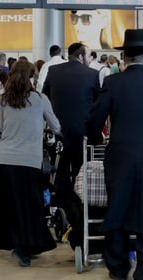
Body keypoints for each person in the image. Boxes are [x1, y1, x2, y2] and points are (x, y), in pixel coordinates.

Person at [86, 29, 143, 280]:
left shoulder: (113, 83)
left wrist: (97, 136)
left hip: (121, 155)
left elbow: (95, 121)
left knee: (118, 206)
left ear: (123, 56)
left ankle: (117, 266)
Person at [0, 60, 60, 267]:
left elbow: (3, 128)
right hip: (29, 161)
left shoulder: (4, 100)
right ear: (32, 77)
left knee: (9, 205)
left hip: (4, 159)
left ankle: (17, 245)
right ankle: (27, 245)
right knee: (30, 206)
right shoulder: (40, 99)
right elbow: (56, 126)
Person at [42, 42, 99, 213]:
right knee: (83, 169)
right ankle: (80, 207)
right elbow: (97, 104)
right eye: (88, 56)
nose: (89, 59)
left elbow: (44, 98)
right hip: (83, 133)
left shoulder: (53, 71)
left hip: (58, 132)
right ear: (81, 56)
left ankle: (62, 207)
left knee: (60, 170)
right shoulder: (92, 74)